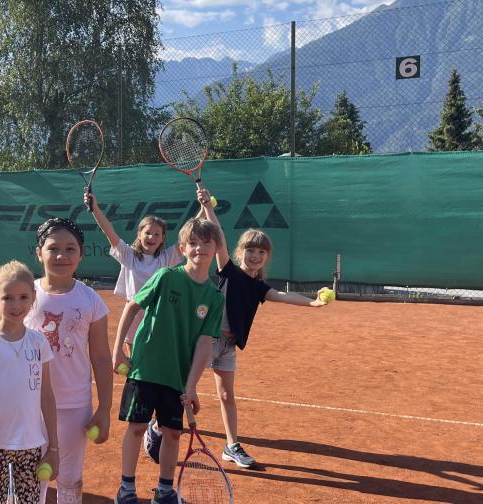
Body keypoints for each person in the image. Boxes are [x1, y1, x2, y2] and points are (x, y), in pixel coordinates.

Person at [144, 187, 329, 469]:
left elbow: (281, 296)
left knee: (227, 395)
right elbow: (217, 236)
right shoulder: (228, 270)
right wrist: (208, 207)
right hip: (206, 340)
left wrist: (313, 303)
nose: (255, 256)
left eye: (261, 252)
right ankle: (157, 426)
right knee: (182, 389)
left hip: (228, 347)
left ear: (267, 257)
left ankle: (232, 446)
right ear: (238, 252)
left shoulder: (258, 287)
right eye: (250, 250)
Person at [112, 214, 224, 504]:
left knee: (173, 434)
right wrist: (117, 350)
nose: (200, 248)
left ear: (216, 247)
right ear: (183, 248)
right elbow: (132, 306)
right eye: (193, 243)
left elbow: (204, 343)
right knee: (136, 427)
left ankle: (164, 491)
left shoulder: (213, 296)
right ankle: (126, 489)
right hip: (145, 367)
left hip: (177, 374)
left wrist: (192, 385)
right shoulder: (166, 276)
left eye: (206, 243)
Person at [24, 218, 113, 504]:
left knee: (69, 477)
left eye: (70, 248)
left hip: (75, 405)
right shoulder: (24, 296)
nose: (61, 255)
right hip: (29, 404)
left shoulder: (90, 300)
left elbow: (100, 357)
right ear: (39, 253)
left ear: (81, 254)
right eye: (53, 248)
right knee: (32, 474)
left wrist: (105, 408)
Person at [0, 260, 59, 504]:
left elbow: (47, 397)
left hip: (31, 445)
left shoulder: (39, 343)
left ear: (32, 299)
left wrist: (54, 448)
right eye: (8, 297)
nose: (16, 305)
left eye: (23, 297)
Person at [84, 192, 183, 356]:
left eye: (157, 234)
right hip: (133, 312)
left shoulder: (167, 258)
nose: (151, 237)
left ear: (162, 238)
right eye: (148, 233)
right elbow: (108, 230)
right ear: (139, 234)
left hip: (158, 313)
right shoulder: (128, 254)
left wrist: (204, 207)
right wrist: (95, 208)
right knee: (134, 357)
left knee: (157, 355)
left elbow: (187, 237)